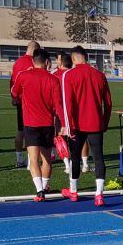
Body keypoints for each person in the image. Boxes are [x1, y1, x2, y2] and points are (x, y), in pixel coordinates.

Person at [58, 45, 112, 206]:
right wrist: (105, 122)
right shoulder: (100, 75)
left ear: (74, 58)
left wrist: (68, 126)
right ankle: (99, 194)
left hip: (77, 125)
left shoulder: (69, 75)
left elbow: (67, 104)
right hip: (96, 123)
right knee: (98, 157)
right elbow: (108, 103)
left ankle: (73, 191)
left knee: (75, 158)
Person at [11, 49, 60, 200]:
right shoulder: (53, 80)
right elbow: (58, 105)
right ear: (47, 62)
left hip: (31, 123)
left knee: (33, 159)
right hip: (47, 124)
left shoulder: (24, 75)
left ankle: (40, 191)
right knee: (47, 159)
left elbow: (14, 92)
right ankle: (44, 187)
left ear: (33, 62)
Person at [10, 41, 41, 168]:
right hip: (32, 101)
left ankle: (19, 159)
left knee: (20, 130)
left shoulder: (18, 62)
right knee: (33, 132)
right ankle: (31, 162)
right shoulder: (34, 62)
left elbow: (12, 80)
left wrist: (14, 96)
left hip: (19, 100)